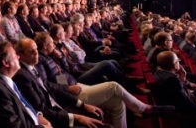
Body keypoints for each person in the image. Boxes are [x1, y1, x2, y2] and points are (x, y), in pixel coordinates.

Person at [35, 32, 175, 128]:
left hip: (76, 83)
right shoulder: (40, 60)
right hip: (71, 93)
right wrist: (67, 88)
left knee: (117, 102)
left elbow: (67, 70)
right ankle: (145, 108)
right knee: (113, 86)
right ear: (44, 45)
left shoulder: (52, 55)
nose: (53, 44)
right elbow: (46, 84)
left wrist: (61, 58)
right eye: (50, 43)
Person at [14, 38, 109, 128]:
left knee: (100, 115)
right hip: (55, 115)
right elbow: (41, 108)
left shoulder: (35, 65)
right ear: (20, 55)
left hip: (63, 99)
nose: (36, 53)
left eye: (36, 49)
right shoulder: (23, 74)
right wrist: (75, 116)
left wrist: (82, 104)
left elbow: (51, 84)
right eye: (31, 51)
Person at [0, 41, 53, 128]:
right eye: (15, 55)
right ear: (6, 63)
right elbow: (15, 126)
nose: (18, 56)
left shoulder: (5, 79)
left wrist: (38, 116)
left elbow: (23, 105)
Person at [154, 51, 196, 125]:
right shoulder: (172, 80)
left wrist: (182, 79)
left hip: (181, 103)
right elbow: (189, 105)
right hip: (184, 113)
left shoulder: (158, 71)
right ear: (174, 65)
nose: (179, 62)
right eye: (178, 60)